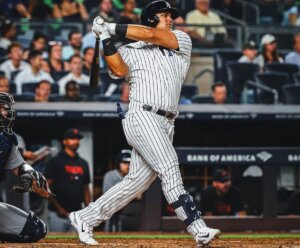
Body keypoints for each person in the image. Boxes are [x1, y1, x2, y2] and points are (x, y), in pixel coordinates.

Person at [68, 1, 220, 247]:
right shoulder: (131, 50)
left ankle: (85, 217)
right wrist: (106, 38)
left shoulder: (181, 40)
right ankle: (197, 228)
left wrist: (110, 26)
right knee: (170, 167)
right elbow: (117, 71)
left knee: (135, 182)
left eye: (171, 15)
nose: (171, 19)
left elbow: (151, 34)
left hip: (167, 121)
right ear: (150, 18)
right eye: (165, 15)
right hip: (142, 116)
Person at [0, 92, 47, 243]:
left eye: (6, 108)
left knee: (35, 229)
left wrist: (32, 176)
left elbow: (19, 167)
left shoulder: (6, 139)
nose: (6, 112)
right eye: (1, 108)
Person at [45, 128, 91, 232]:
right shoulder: (55, 161)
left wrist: (88, 210)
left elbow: (86, 188)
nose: (76, 141)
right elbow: (46, 187)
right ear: (64, 141)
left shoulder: (83, 163)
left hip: (77, 214)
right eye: (72, 138)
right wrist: (58, 208)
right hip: (56, 214)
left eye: (77, 139)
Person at [103, 149, 131, 231]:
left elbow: (140, 197)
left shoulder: (134, 178)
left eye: (130, 163)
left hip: (130, 216)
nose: (128, 166)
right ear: (118, 163)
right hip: (112, 215)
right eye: (124, 163)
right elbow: (107, 198)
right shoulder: (110, 176)